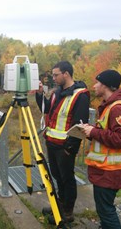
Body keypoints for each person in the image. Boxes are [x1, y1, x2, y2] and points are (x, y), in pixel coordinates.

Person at [35, 61, 90, 224]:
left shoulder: (80, 95)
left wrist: (70, 148)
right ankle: (59, 204)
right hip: (51, 143)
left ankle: (67, 212)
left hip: (65, 147)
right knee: (57, 176)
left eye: (56, 75)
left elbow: (80, 124)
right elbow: (46, 110)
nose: (53, 78)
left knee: (67, 178)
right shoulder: (56, 92)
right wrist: (39, 95)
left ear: (66, 74)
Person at [81, 69, 121, 229]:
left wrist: (94, 132)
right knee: (104, 208)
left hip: (112, 171)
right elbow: (107, 133)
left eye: (97, 82)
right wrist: (90, 131)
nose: (94, 86)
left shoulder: (118, 108)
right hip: (107, 171)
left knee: (106, 210)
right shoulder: (110, 106)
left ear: (104, 85)